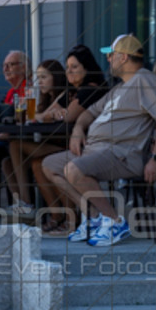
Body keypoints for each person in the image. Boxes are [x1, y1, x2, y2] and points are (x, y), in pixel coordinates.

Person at [41, 35, 156, 247]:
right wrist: (78, 129)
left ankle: (114, 221)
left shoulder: (146, 80)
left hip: (122, 153)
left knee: (73, 170)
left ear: (123, 57)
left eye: (111, 55)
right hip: (95, 150)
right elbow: (88, 113)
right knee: (49, 165)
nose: (108, 60)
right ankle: (93, 216)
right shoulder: (119, 88)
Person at [33, 45, 109, 234]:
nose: (69, 71)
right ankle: (79, 215)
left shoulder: (91, 90)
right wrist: (53, 114)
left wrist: (53, 115)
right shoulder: (72, 91)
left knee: (38, 160)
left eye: (74, 67)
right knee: (28, 156)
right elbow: (41, 115)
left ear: (87, 68)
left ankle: (77, 217)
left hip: (92, 148)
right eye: (67, 67)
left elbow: (67, 116)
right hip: (76, 145)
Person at [5, 59, 68, 216]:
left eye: (44, 77)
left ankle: (27, 203)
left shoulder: (64, 95)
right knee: (6, 163)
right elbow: (37, 116)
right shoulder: (46, 98)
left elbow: (37, 117)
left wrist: (34, 115)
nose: (39, 82)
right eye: (38, 78)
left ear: (56, 77)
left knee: (15, 145)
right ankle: (21, 203)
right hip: (47, 145)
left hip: (63, 147)